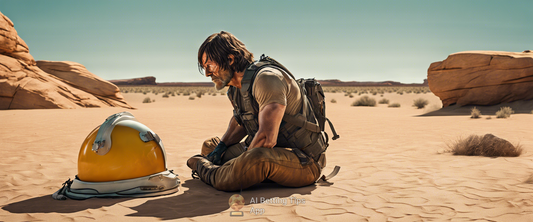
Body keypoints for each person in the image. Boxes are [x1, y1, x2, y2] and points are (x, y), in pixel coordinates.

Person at [187, 31, 327, 191]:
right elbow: (240, 123)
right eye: (204, 68)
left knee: (255, 160)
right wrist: (219, 150)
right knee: (210, 147)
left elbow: (267, 139)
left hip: (304, 161)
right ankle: (223, 171)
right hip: (269, 152)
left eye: (210, 66)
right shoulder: (235, 89)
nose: (207, 74)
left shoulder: (267, 79)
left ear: (230, 59)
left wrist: (236, 163)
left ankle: (204, 168)